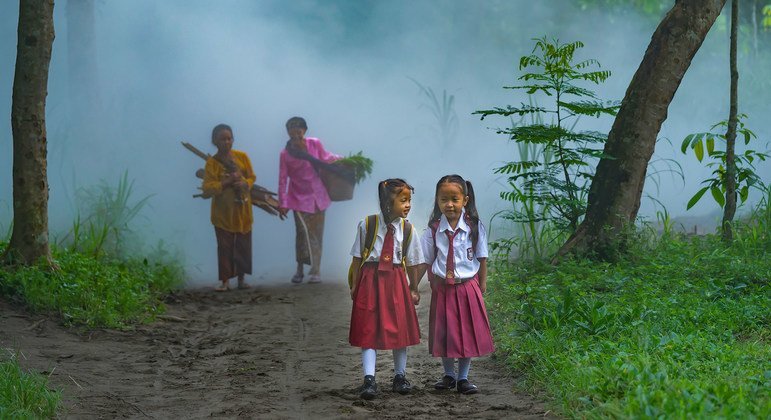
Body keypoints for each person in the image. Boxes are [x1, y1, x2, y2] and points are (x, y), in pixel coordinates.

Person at [416, 174, 494, 394]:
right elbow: (425, 261)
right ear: (437, 201)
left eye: (454, 199)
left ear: (465, 200)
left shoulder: (474, 227)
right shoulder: (433, 230)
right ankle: (448, 375)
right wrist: (412, 286)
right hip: (443, 288)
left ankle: (463, 378)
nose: (449, 204)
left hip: (468, 286)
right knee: (445, 332)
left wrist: (482, 283)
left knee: (466, 332)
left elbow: (482, 257)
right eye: (443, 199)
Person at [349, 179, 422, 400]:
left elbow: (412, 263)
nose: (408, 205)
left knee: (399, 330)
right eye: (403, 200)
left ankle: (400, 377)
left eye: (409, 200)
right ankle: (369, 379)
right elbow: (356, 258)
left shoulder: (408, 229)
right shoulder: (367, 225)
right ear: (387, 203)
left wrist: (414, 288)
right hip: (370, 282)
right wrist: (354, 285)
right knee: (368, 330)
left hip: (396, 282)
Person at [278, 116, 341, 284]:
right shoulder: (285, 154)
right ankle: (299, 269)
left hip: (318, 197)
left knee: (317, 235)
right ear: (288, 132)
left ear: (304, 131)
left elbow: (326, 157)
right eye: (292, 128)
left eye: (299, 128)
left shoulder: (314, 144)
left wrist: (343, 160)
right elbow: (283, 179)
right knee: (302, 234)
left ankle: (316, 271)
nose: (296, 132)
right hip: (297, 199)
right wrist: (282, 204)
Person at [202, 124, 256, 291]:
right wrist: (227, 181)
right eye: (222, 139)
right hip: (223, 213)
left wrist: (245, 183)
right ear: (214, 141)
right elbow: (208, 188)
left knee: (243, 245)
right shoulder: (212, 163)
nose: (227, 142)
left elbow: (252, 177)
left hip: (243, 210)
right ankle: (225, 281)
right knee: (225, 247)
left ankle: (241, 279)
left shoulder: (242, 157)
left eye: (229, 138)